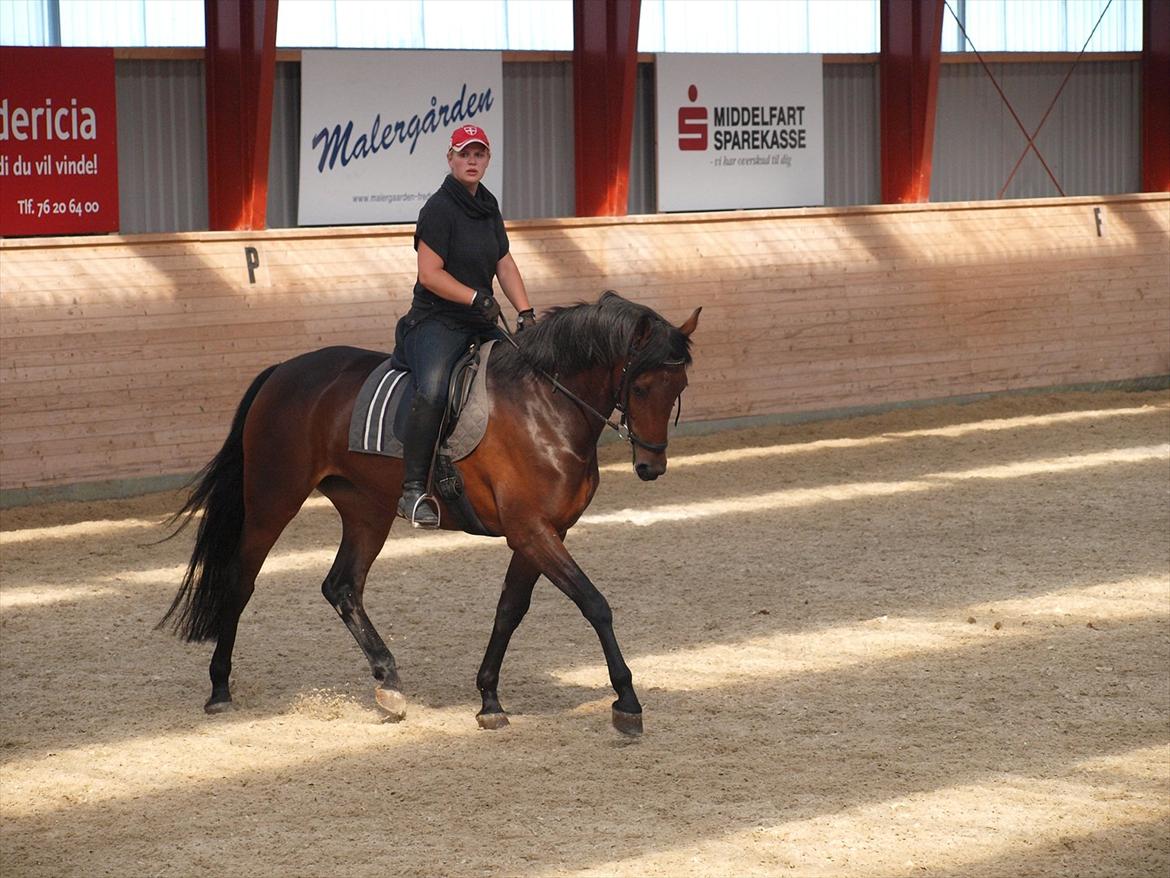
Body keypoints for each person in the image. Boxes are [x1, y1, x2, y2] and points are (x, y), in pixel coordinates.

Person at [393, 124, 536, 527]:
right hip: (436, 321)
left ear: (487, 159)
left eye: (479, 154)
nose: (472, 161)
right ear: (450, 158)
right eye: (465, 154)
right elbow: (429, 273)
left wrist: (525, 313)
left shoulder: (488, 205)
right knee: (435, 389)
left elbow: (503, 263)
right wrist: (475, 297)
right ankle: (413, 490)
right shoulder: (439, 208)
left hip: (479, 320)